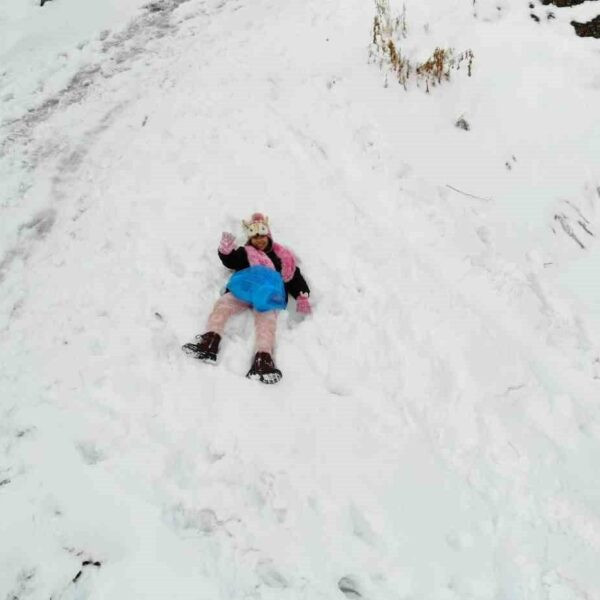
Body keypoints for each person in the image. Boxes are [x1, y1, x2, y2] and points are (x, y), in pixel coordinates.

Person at [182, 213, 311, 384]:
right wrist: (226, 252)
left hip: (268, 295)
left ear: (269, 236)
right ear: (250, 239)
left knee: (267, 323)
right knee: (223, 304)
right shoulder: (246, 253)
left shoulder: (281, 257)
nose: (259, 240)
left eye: (262, 236)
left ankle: (263, 358)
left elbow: (293, 276)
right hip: (244, 290)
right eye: (255, 237)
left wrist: (302, 293)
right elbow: (232, 260)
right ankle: (210, 341)